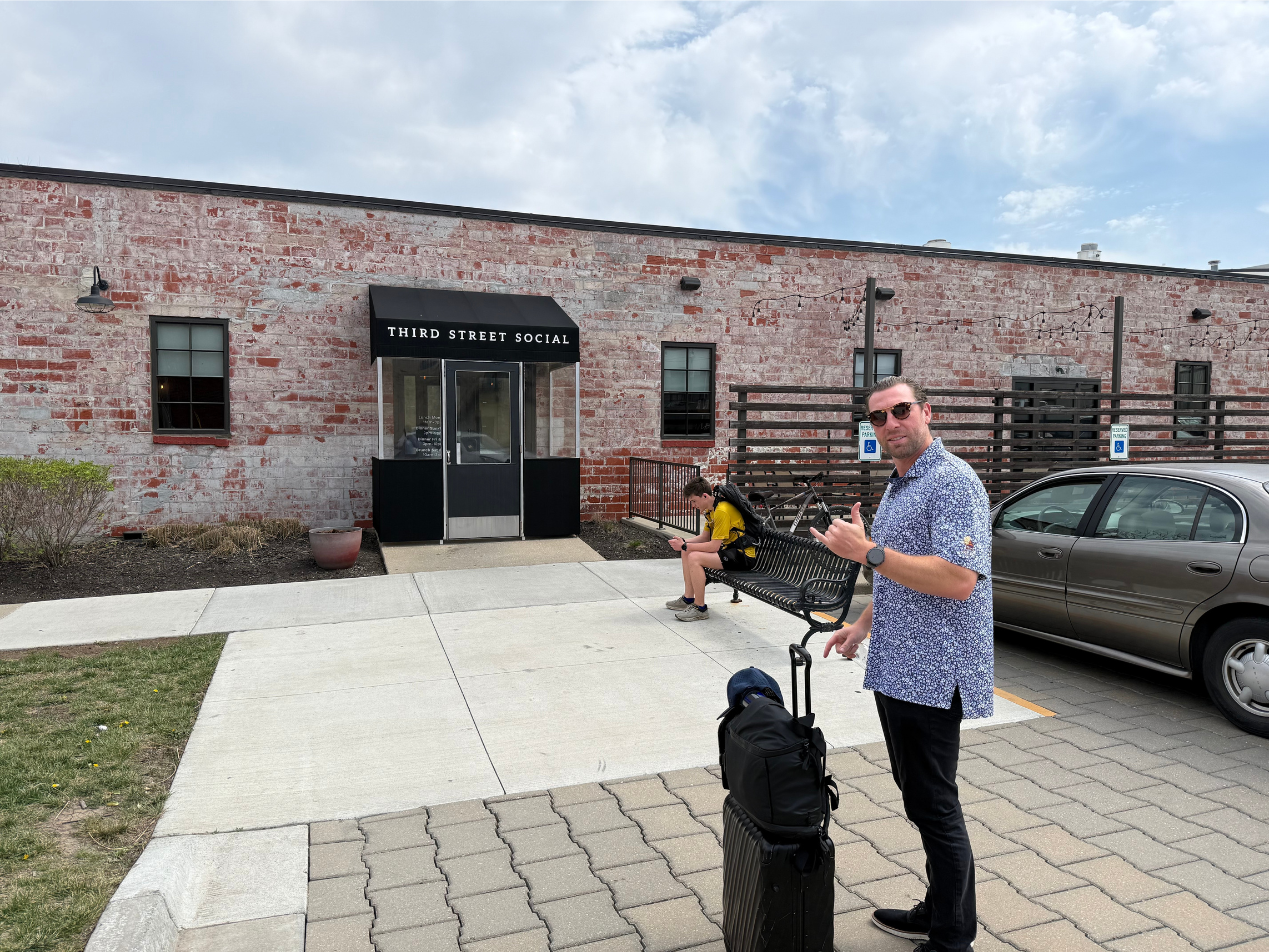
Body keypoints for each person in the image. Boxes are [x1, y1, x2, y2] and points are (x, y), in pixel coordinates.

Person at [810, 375, 992, 952]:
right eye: (878, 418)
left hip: (935, 675)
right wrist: (859, 626)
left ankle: (953, 936)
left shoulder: (953, 483)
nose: (890, 425)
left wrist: (866, 551)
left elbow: (960, 581)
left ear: (926, 412)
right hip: (897, 666)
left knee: (935, 804)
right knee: (919, 797)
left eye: (900, 411)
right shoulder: (898, 485)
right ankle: (939, 908)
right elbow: (897, 579)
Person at [664, 476, 757, 622]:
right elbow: (705, 538)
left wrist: (685, 545)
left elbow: (714, 546)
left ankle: (700, 608)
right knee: (686, 551)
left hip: (742, 556)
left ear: (705, 496)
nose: (693, 505)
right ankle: (688, 598)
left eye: (694, 501)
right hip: (729, 552)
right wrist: (683, 543)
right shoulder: (710, 510)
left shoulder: (722, 511)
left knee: (694, 557)